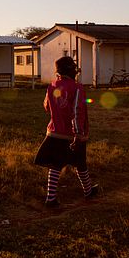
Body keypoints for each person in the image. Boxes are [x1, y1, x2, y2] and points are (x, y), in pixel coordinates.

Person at [34, 56, 99, 207]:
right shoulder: (77, 87)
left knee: (55, 165)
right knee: (80, 164)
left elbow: (47, 107)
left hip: (54, 132)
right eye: (74, 68)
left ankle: (51, 198)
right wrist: (77, 134)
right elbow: (77, 111)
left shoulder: (52, 85)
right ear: (70, 70)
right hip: (72, 135)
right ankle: (88, 191)